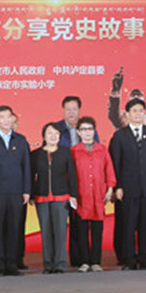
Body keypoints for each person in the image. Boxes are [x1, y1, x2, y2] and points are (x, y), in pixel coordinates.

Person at [109, 98, 146, 270]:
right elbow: (115, 164)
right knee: (128, 224)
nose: (138, 114)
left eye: (141, 110)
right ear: (127, 114)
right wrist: (117, 186)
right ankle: (129, 259)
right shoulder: (119, 136)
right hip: (127, 187)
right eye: (134, 111)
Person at [0, 105, 31, 276]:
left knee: (14, 228)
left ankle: (12, 264)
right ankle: (0, 266)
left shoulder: (21, 140)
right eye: (2, 117)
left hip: (16, 191)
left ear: (12, 119)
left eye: (8, 117)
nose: (6, 120)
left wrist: (26, 190)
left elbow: (26, 167)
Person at [54, 95, 97, 268]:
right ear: (63, 110)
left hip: (84, 183)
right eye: (68, 109)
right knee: (63, 221)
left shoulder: (87, 128)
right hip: (62, 182)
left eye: (74, 109)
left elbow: (96, 152)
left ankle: (81, 258)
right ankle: (61, 259)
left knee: (80, 221)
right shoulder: (56, 129)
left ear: (79, 110)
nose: (71, 112)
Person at [71, 117, 116, 272]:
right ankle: (84, 261)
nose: (87, 132)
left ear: (94, 131)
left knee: (97, 231)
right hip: (81, 196)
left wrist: (110, 189)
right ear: (78, 132)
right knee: (81, 231)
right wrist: (71, 194)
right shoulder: (73, 151)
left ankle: (96, 261)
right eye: (83, 129)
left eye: (90, 129)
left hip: (98, 195)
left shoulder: (102, 150)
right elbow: (69, 175)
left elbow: (109, 170)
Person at [31, 122, 78, 273]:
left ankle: (60, 263)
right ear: (43, 136)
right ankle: (48, 264)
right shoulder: (36, 154)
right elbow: (31, 176)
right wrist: (31, 194)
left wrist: (74, 194)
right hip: (41, 197)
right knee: (45, 232)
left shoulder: (65, 153)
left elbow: (72, 175)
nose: (53, 136)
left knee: (60, 231)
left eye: (56, 134)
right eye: (49, 133)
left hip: (61, 197)